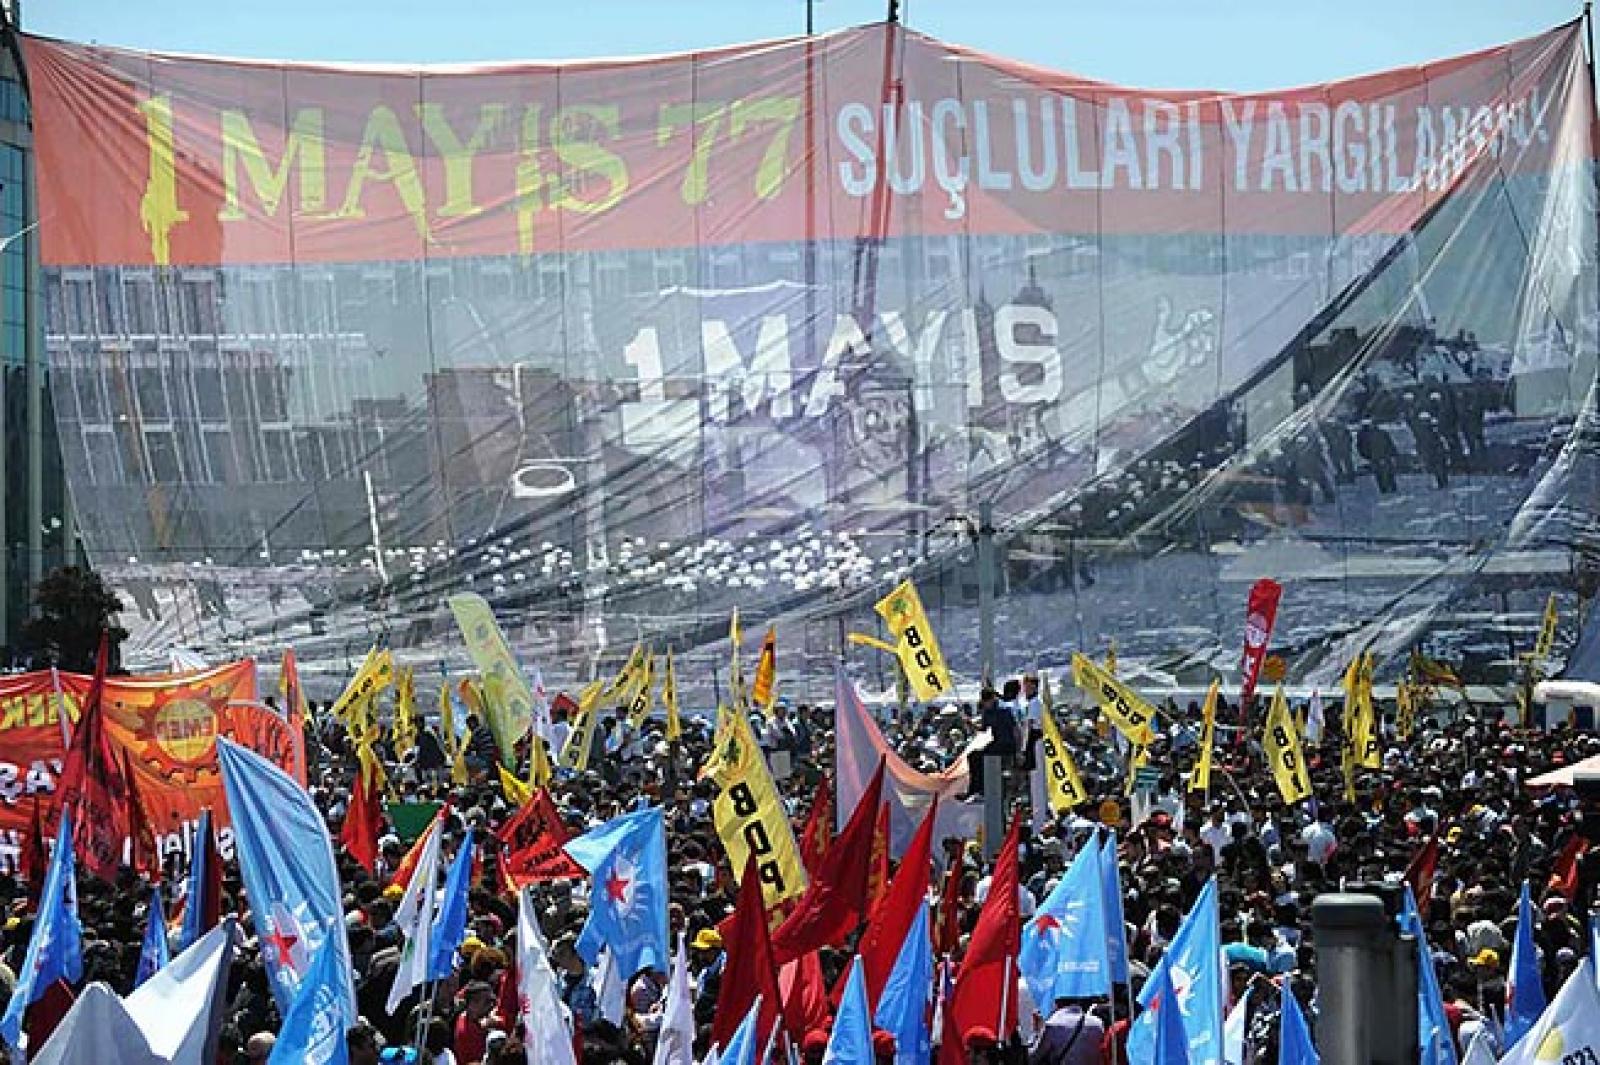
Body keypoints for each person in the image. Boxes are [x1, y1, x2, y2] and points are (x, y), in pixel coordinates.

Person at [1029, 996, 1105, 1065]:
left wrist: (1037, 1030)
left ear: (1056, 1002)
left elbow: (1033, 1058)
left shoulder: (1052, 1024)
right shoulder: (1098, 1023)